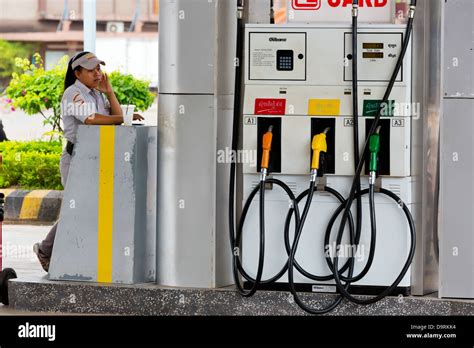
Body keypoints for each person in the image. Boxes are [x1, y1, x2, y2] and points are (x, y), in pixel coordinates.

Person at [33, 51, 144, 272]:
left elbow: (114, 117)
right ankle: (46, 249)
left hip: (94, 160)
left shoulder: (96, 94)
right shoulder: (72, 94)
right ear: (77, 73)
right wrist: (123, 118)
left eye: (98, 69)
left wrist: (110, 92)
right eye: (91, 70)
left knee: (91, 210)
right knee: (78, 209)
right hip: (76, 160)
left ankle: (75, 254)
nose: (97, 73)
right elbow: (93, 120)